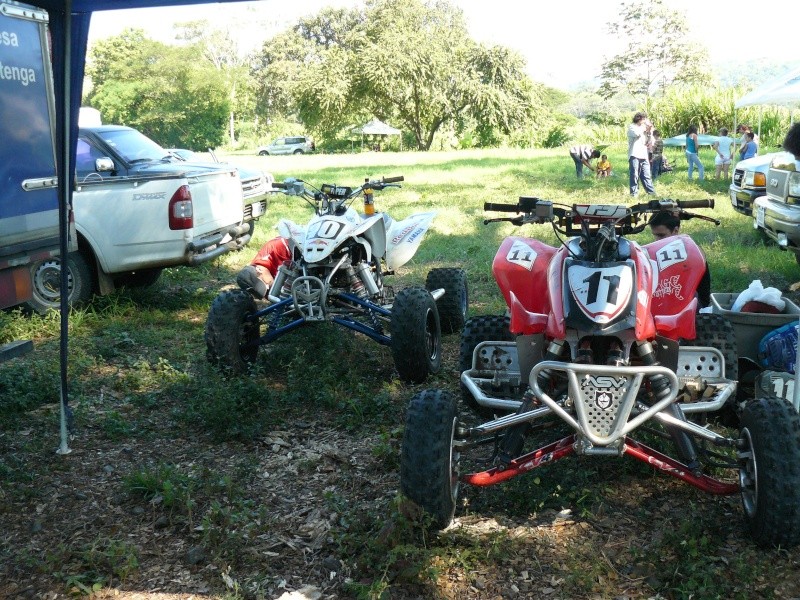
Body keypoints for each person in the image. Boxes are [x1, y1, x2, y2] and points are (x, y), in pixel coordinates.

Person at [649, 211, 711, 309]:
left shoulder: (690, 252)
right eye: (655, 235)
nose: (657, 240)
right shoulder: (656, 251)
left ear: (676, 231)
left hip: (692, 304)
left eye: (661, 235)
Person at [627, 112, 655, 196]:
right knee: (634, 175)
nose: (645, 121)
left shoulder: (644, 129)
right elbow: (636, 134)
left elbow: (649, 141)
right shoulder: (632, 127)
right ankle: (634, 193)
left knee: (646, 175)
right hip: (634, 154)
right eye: (644, 119)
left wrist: (649, 132)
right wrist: (644, 127)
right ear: (639, 119)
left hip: (644, 155)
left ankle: (651, 192)